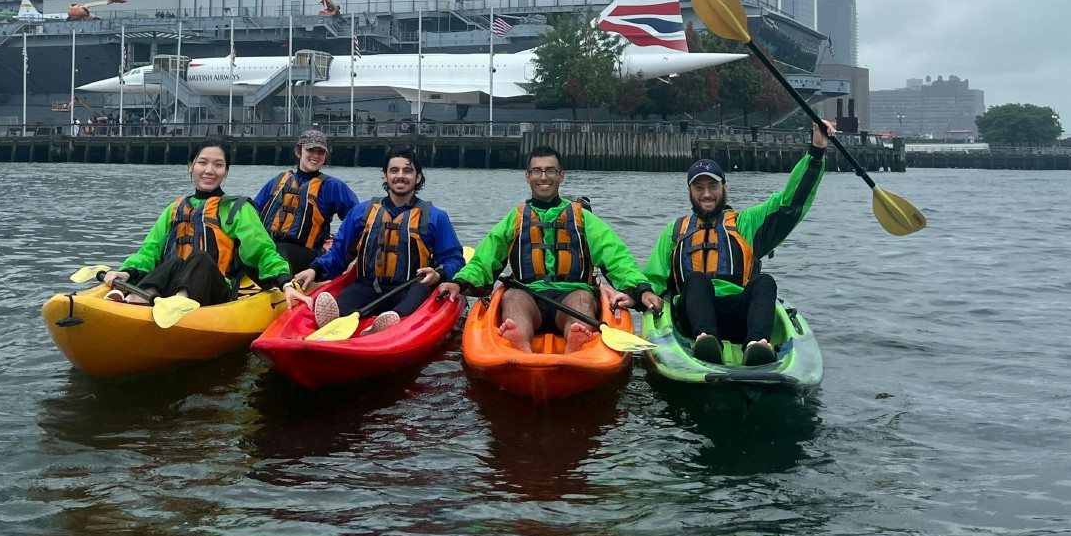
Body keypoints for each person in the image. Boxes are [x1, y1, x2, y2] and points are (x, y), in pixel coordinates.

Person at [438, 146, 662, 353]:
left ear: (561, 175)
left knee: (583, 298)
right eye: (536, 171)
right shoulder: (515, 219)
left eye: (550, 171)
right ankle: (519, 343)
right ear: (528, 176)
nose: (543, 177)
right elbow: (484, 260)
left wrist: (640, 289)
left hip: (571, 297)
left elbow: (616, 257)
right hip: (528, 297)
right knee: (512, 297)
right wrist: (460, 282)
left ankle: (577, 341)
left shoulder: (582, 218)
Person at [645, 121, 833, 366]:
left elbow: (789, 203)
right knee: (698, 280)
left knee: (765, 282)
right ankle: (706, 341)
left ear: (724, 187)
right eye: (699, 187)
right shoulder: (675, 231)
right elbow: (652, 279)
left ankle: (757, 344)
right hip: (692, 318)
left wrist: (816, 152)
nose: (707, 194)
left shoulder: (746, 223)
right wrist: (641, 293)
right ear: (689, 191)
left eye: (713, 186)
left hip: (737, 314)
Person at [101, 137, 297, 307]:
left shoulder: (237, 208)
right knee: (175, 262)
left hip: (215, 292)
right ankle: (136, 299)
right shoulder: (175, 208)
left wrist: (285, 282)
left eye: (218, 165)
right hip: (171, 287)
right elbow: (149, 251)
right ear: (191, 166)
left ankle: (179, 302)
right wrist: (127, 272)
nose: (209, 170)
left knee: (200, 257)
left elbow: (262, 251)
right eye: (202, 162)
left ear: (226, 172)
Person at [291, 146, 465, 335]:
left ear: (418, 177)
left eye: (408, 171)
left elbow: (454, 260)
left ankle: (393, 322)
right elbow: (338, 253)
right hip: (368, 286)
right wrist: (315, 269)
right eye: (394, 170)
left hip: (410, 287)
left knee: (420, 290)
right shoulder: (361, 213)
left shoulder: (435, 217)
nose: (400, 176)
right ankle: (336, 320)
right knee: (349, 297)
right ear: (385, 176)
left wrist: (439, 275)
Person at [251, 128, 361, 273]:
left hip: (305, 255)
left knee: (279, 251)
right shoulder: (278, 182)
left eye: (320, 152)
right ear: (298, 151)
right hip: (269, 250)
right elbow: (252, 215)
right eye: (310, 150)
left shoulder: (334, 187)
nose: (315, 156)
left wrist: (340, 254)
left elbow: (358, 221)